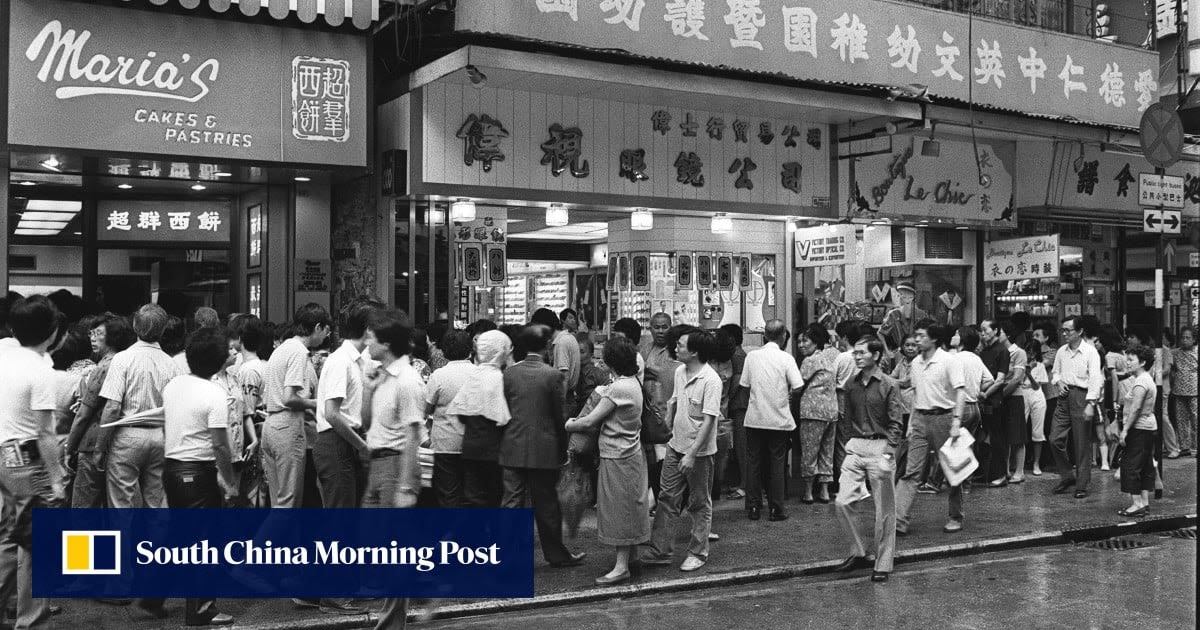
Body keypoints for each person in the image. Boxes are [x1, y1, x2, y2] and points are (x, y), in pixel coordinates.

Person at [155, 327, 238, 626]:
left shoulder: (174, 386)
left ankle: (152, 595)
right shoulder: (215, 394)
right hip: (198, 473)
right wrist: (229, 483)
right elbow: (220, 444)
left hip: (172, 469)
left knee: (179, 537)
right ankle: (202, 609)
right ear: (218, 362)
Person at [0, 297, 67, 630]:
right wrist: (57, 478)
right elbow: (45, 433)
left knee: (8, 534)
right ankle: (31, 622)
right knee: (38, 542)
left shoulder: (3, 353)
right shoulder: (41, 370)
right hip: (26, 457)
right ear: (53, 333)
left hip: (2, 453)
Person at [361, 309, 426, 630]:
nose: (366, 342)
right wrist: (369, 388)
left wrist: (404, 487)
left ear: (385, 342)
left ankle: (389, 625)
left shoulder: (408, 381)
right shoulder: (382, 376)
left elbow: (413, 436)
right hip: (377, 463)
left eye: (371, 337)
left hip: (396, 465)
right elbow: (365, 422)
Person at [500, 325, 586, 568]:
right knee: (546, 504)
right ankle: (556, 554)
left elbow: (504, 408)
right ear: (546, 345)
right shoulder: (551, 375)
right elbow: (559, 417)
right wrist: (563, 449)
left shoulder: (509, 374)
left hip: (512, 445)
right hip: (544, 447)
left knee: (511, 504)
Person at [565, 337, 648, 585]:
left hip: (616, 455)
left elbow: (590, 421)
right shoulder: (633, 383)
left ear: (611, 361)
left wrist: (569, 424)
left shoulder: (618, 388)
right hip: (630, 453)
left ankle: (621, 567)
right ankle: (632, 556)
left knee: (617, 509)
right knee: (630, 506)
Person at [642, 328, 721, 573]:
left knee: (699, 503)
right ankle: (660, 550)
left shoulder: (711, 380)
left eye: (682, 345)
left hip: (699, 453)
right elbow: (674, 402)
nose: (676, 348)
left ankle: (698, 552)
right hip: (675, 446)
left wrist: (691, 454)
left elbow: (709, 421)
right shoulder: (680, 372)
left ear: (695, 352)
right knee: (667, 498)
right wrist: (666, 425)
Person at [96, 304, 181, 511]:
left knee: (121, 505)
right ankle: (151, 544)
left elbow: (112, 408)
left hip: (127, 436)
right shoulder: (171, 364)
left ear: (135, 326)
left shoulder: (122, 359)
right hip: (159, 437)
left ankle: (125, 543)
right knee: (156, 504)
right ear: (162, 330)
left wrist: (100, 447)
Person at [835, 337, 904, 583]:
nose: (857, 357)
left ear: (875, 356)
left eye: (862, 353)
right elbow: (846, 419)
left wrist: (888, 453)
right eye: (855, 353)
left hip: (880, 447)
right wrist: (846, 447)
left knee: (884, 510)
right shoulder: (850, 384)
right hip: (855, 447)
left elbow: (896, 422)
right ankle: (858, 551)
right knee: (843, 501)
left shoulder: (889, 384)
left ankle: (883, 563)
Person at [895, 322, 968, 535]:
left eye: (921, 336)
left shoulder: (948, 361)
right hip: (919, 419)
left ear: (934, 339)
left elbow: (961, 392)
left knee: (953, 470)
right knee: (911, 471)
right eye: (915, 336)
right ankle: (899, 521)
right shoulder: (916, 363)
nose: (916, 340)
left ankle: (955, 516)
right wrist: (911, 424)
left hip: (943, 418)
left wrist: (956, 421)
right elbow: (917, 394)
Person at [261, 304, 330, 509]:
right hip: (287, 426)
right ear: (317, 327)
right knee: (288, 506)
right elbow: (289, 398)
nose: (325, 337)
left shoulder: (282, 348)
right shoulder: (299, 352)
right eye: (325, 331)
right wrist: (318, 403)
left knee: (278, 504)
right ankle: (258, 543)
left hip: (271, 424)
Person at [66, 316, 136, 509]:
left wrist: (69, 448)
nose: (93, 338)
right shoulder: (129, 363)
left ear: (113, 337)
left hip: (92, 443)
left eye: (98, 334)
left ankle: (81, 541)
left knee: (83, 508)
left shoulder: (103, 367)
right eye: (91, 333)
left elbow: (83, 415)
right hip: (121, 445)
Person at [739, 320, 803, 521]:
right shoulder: (786, 358)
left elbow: (744, 385)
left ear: (764, 336)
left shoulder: (752, 357)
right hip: (779, 419)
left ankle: (754, 507)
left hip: (755, 418)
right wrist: (787, 398)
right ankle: (776, 509)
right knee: (777, 463)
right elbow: (798, 386)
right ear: (784, 336)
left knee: (754, 462)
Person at [447, 330, 512, 508]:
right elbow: (506, 416)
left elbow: (461, 413)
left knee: (473, 497)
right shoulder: (500, 378)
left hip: (470, 446)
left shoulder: (474, 377)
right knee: (495, 497)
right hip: (495, 449)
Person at [1049, 316, 1104, 499]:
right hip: (1064, 397)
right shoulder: (1061, 352)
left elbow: (1096, 378)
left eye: (1068, 330)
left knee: (1082, 443)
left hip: (1083, 395)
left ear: (1079, 331)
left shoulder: (1090, 352)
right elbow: (1055, 372)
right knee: (1055, 438)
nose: (1064, 334)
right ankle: (1067, 475)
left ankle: (1082, 484)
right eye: (1062, 330)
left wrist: (1091, 403)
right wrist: (1058, 381)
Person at [424, 330, 475, 507]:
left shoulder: (438, 376)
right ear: (470, 350)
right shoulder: (478, 374)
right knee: (470, 493)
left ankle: (450, 531)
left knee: (448, 494)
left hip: (445, 443)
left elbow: (426, 407)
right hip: (472, 442)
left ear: (445, 351)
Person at [795, 323, 840, 504]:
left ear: (815, 342)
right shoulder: (830, 357)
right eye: (799, 341)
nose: (801, 344)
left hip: (812, 411)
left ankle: (807, 491)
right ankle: (824, 491)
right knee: (826, 452)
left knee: (809, 451)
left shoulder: (809, 361)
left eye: (805, 341)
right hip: (831, 410)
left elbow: (798, 385)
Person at [1113, 345, 1157, 518]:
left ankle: (1137, 503)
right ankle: (1144, 502)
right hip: (1147, 427)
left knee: (1130, 465)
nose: (1128, 363)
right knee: (1144, 465)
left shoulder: (1140, 382)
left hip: (1138, 428)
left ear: (1143, 362)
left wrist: (1125, 430)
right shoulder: (1146, 379)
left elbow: (1136, 408)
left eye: (1131, 360)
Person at [977, 320, 1011, 487]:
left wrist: (985, 393)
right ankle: (985, 472)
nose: (982, 333)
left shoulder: (1002, 351)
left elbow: (1000, 380)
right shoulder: (984, 351)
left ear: (995, 330)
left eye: (985, 330)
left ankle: (1001, 474)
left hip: (994, 400)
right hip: (983, 398)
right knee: (982, 438)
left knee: (997, 439)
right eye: (981, 331)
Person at [992, 321, 1027, 486]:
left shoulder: (1018, 353)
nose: (997, 335)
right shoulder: (997, 352)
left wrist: (1001, 394)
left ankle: (1019, 471)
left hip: (1013, 397)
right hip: (999, 397)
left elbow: (1017, 378)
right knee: (1003, 435)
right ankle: (1004, 470)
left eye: (1000, 333)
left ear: (1008, 335)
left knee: (1017, 436)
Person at [719, 323, 748, 500]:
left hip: (739, 405)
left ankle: (744, 485)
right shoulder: (740, 353)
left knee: (741, 447)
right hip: (739, 405)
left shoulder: (736, 355)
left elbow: (737, 381)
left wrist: (726, 397)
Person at [533, 308, 580, 401]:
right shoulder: (567, 338)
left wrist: (558, 407)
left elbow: (563, 377)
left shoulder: (561, 343)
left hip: (565, 399)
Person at [1021, 345, 1050, 478]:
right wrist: (1025, 370)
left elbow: (1037, 386)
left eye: (1033, 352)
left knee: (1037, 431)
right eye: (1028, 351)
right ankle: (1018, 464)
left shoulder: (1040, 366)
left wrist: (1029, 372)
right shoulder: (1020, 364)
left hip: (1037, 395)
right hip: (1022, 394)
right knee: (1019, 429)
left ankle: (1036, 464)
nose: (1030, 354)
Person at [1170, 327, 1197, 458]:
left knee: (1195, 418)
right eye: (1183, 337)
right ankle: (1184, 446)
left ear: (1194, 339)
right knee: (1181, 419)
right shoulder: (1175, 353)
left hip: (1194, 389)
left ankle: (1195, 446)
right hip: (1179, 389)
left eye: (1188, 338)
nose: (1185, 340)